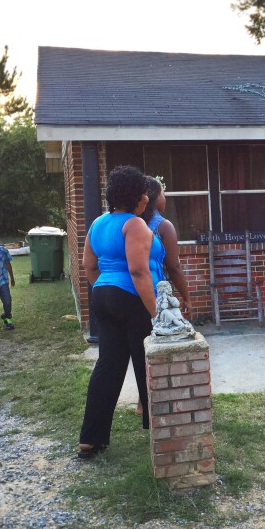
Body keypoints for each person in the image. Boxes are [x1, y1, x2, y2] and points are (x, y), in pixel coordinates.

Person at [78, 166, 157, 459]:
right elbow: (138, 271)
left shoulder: (97, 223)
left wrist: (106, 289)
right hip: (129, 297)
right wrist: (157, 313)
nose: (147, 198)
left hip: (101, 295)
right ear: (135, 195)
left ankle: (90, 439)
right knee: (147, 362)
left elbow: (88, 265)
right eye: (144, 192)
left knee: (108, 366)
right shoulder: (135, 225)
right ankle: (158, 429)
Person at [135, 175, 193, 416]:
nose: (165, 198)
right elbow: (174, 266)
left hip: (133, 289)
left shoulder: (131, 222)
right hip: (156, 292)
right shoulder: (163, 226)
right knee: (159, 343)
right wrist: (186, 297)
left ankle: (142, 402)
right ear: (155, 198)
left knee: (139, 346)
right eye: (163, 193)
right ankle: (157, 400)